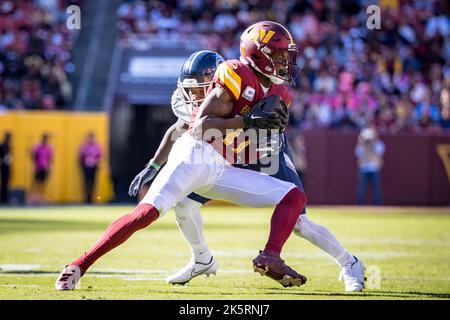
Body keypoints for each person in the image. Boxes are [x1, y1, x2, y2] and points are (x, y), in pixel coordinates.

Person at [55, 22, 309, 291]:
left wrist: (258, 126)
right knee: (146, 214)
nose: (284, 60)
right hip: (194, 155)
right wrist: (247, 120)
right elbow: (199, 127)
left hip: (219, 167)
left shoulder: (267, 88)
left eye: (284, 54)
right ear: (259, 54)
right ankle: (78, 265)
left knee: (293, 195)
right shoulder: (234, 74)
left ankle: (270, 256)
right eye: (278, 54)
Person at [130, 37, 364, 292]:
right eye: (194, 90)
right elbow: (179, 128)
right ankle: (202, 259)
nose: (198, 95)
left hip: (265, 155)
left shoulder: (237, 86)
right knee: (184, 205)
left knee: (299, 223)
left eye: (202, 89)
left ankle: (349, 263)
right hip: (228, 160)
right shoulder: (210, 104)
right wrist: (153, 166)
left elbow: (270, 117)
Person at [355, 127, 385, 205]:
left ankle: (378, 205)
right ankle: (359, 205)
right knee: (361, 189)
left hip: (374, 169)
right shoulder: (361, 146)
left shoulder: (378, 145)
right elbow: (359, 159)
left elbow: (378, 159)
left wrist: (372, 146)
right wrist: (362, 143)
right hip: (364, 170)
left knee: (376, 189)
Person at [79, 132, 102, 203]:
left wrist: (95, 162)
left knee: (93, 183)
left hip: (94, 167)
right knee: (86, 182)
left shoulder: (97, 146)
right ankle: (87, 198)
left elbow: (100, 156)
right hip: (86, 167)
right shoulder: (84, 146)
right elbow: (81, 157)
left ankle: (93, 198)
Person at [30, 133, 53, 205]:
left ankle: (41, 197)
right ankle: (33, 197)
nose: (46, 140)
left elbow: (50, 158)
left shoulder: (49, 148)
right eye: (45, 138)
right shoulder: (37, 147)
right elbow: (33, 156)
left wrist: (49, 167)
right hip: (38, 167)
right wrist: (35, 164)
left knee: (43, 183)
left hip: (45, 168)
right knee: (36, 182)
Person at [0, 132, 12, 204]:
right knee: (3, 183)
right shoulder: (2, 145)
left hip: (7, 167)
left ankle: (5, 198)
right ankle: (2, 199)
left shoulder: (8, 146)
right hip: (3, 166)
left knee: (6, 183)